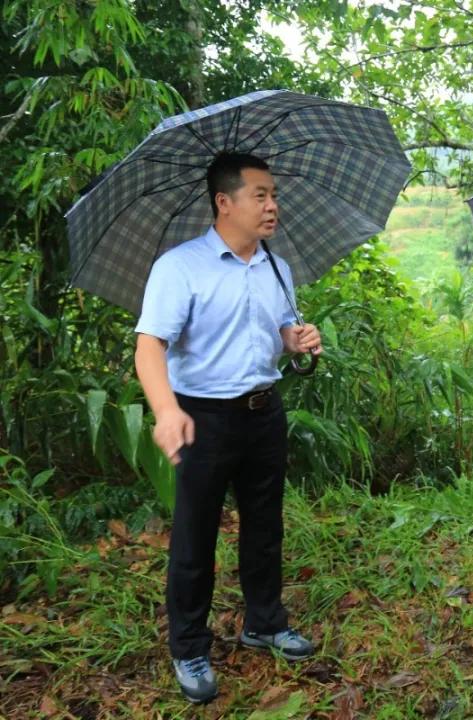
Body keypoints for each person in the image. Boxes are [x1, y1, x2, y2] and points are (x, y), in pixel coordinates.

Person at [134, 152, 322, 703]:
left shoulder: (276, 267)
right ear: (225, 202)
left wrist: (296, 341)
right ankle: (189, 644)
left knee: (265, 527)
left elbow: (279, 333)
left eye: (274, 195)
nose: (273, 206)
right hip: (203, 416)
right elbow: (150, 347)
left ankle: (264, 622)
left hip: (264, 412)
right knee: (195, 536)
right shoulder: (180, 267)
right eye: (260, 195)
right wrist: (167, 412)